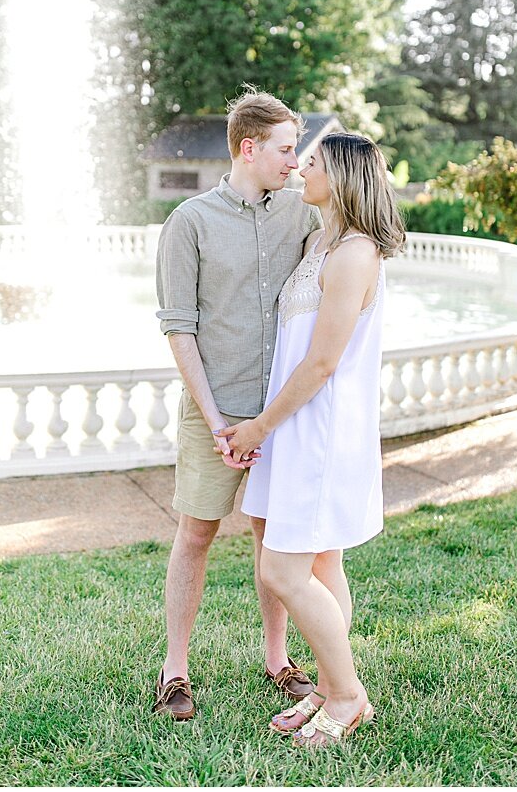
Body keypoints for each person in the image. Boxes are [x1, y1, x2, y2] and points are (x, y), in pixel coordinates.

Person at [221, 132, 405, 747]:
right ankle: (329, 688)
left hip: (321, 433)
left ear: (345, 175)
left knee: (282, 568)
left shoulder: (354, 253)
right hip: (299, 431)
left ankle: (349, 696)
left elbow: (323, 362)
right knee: (323, 564)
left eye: (316, 161)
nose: (302, 166)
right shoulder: (323, 242)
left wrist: (259, 428)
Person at [152, 90, 322, 721]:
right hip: (212, 410)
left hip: (280, 412)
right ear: (248, 148)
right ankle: (175, 671)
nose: (294, 162)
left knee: (271, 536)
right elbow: (179, 327)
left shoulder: (301, 215)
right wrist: (218, 418)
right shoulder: (188, 222)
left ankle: (279, 661)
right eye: (285, 149)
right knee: (195, 533)